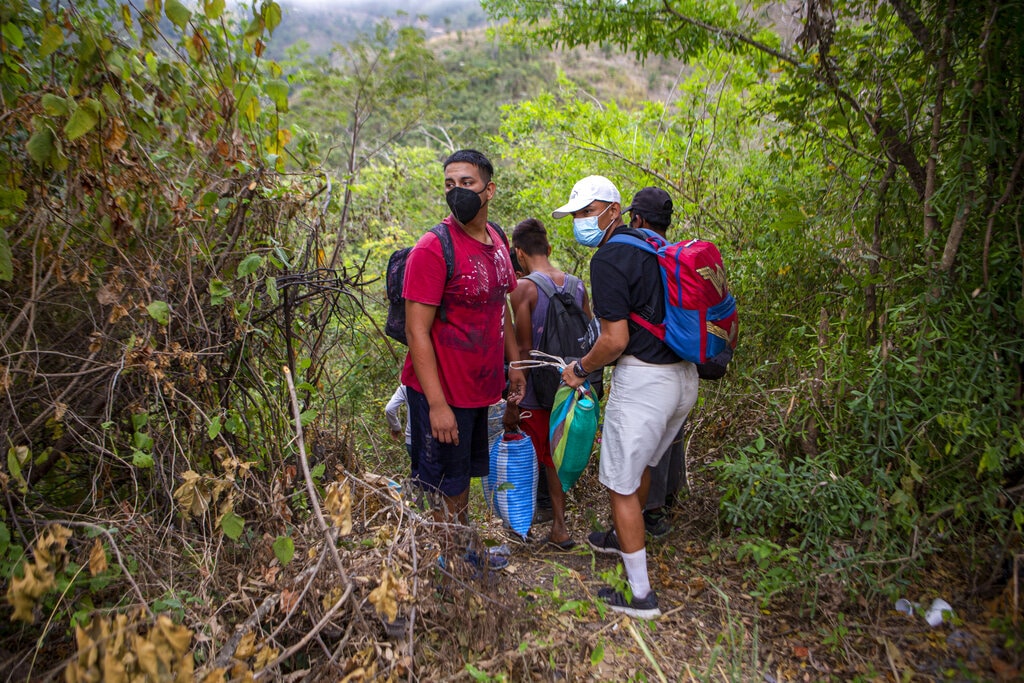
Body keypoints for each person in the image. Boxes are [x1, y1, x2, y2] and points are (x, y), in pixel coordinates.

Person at [553, 176, 698, 619]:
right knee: (643, 467)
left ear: (614, 211)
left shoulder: (610, 257)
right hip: (682, 379)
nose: (580, 221)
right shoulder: (654, 245)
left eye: (587, 211)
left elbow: (614, 340)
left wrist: (579, 369)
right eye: (576, 214)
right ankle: (622, 538)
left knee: (620, 484)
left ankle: (640, 596)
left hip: (645, 383)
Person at [401, 149, 525, 572]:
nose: (457, 192)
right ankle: (450, 566)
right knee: (444, 482)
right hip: (442, 391)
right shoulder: (433, 248)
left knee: (462, 478)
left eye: (467, 183)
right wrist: (437, 405)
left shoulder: (498, 240)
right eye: (450, 184)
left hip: (479, 388)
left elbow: (501, 304)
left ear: (489, 190)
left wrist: (515, 364)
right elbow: (417, 331)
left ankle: (464, 552)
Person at [507, 217, 595, 550]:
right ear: (549, 247)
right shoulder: (577, 285)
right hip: (571, 383)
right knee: (555, 456)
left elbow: (524, 348)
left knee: (530, 455)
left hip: (536, 388)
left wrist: (515, 396)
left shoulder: (523, 288)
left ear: (518, 253)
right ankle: (560, 527)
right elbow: (590, 334)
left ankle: (522, 526)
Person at [623, 187, 687, 538]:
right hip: (683, 363)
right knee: (669, 438)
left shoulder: (638, 256)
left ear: (637, 219)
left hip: (650, 366)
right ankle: (663, 505)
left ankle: (644, 516)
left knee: (645, 449)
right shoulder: (677, 258)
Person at [384, 383, 415, 476]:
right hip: (435, 437)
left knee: (419, 474)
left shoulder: (406, 385)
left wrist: (396, 428)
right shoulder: (437, 382)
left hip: (411, 440)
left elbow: (389, 409)